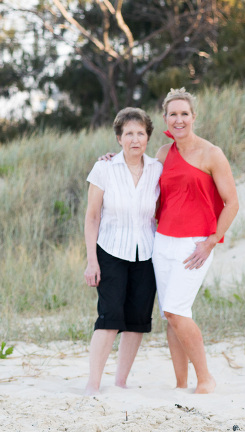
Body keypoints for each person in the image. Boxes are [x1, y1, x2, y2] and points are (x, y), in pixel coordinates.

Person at [153, 88, 239, 394]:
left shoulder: (211, 154)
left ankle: (205, 378)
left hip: (194, 245)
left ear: (194, 117)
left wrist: (211, 241)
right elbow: (142, 183)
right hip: (161, 243)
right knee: (172, 316)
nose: (179, 119)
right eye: (173, 114)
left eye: (184, 114)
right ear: (165, 118)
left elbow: (232, 203)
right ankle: (181, 383)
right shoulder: (163, 154)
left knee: (177, 310)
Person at [83, 107, 162, 395]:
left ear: (147, 137)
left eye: (140, 133)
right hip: (110, 251)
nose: (135, 139)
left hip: (147, 253)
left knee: (137, 320)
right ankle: (93, 383)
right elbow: (92, 217)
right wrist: (92, 261)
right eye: (128, 133)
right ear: (119, 138)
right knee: (108, 317)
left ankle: (121, 381)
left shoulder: (157, 169)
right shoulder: (103, 168)